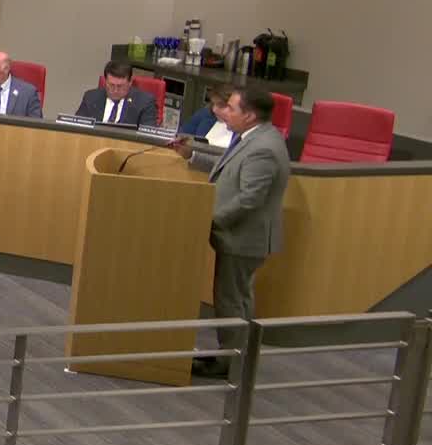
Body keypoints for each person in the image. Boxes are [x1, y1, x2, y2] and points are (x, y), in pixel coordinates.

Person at [172, 88, 292, 378]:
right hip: (239, 236)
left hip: (244, 238)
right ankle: (235, 356)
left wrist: (209, 220)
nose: (224, 113)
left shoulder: (263, 148)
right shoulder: (253, 137)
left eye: (232, 109)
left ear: (249, 115)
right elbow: (228, 169)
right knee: (237, 299)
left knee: (231, 301)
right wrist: (192, 155)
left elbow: (250, 199)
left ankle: (231, 363)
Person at [76, 60, 158, 127]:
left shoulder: (145, 102)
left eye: (120, 86)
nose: (115, 90)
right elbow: (77, 126)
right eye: (111, 85)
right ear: (105, 81)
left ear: (130, 82)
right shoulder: (90, 97)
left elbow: (147, 135)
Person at [179, 84, 236, 148]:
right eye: (213, 104)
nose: (214, 109)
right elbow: (200, 145)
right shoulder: (208, 116)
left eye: (220, 105)